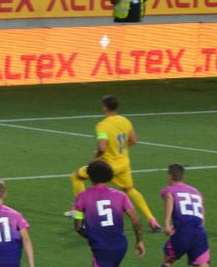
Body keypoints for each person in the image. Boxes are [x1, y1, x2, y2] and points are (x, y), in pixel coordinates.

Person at [68, 95, 161, 232]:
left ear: (104, 107)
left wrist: (97, 154)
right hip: (123, 164)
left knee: (76, 176)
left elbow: (102, 147)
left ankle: (84, 211)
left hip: (107, 166)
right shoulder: (125, 121)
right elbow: (133, 140)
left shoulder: (102, 125)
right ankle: (152, 219)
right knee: (130, 190)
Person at [72, 160, 146, 267]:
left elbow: (77, 227)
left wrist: (92, 237)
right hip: (121, 245)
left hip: (101, 248)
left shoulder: (82, 197)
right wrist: (139, 240)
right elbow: (135, 219)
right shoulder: (120, 196)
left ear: (90, 176)